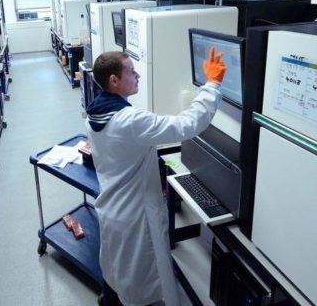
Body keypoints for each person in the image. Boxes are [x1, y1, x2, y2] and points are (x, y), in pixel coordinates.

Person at [86, 48, 226, 306]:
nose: (138, 75)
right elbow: (186, 125)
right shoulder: (129, 120)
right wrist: (212, 84)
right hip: (136, 216)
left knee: (117, 272)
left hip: (112, 209)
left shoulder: (95, 113)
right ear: (114, 80)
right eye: (131, 71)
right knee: (148, 283)